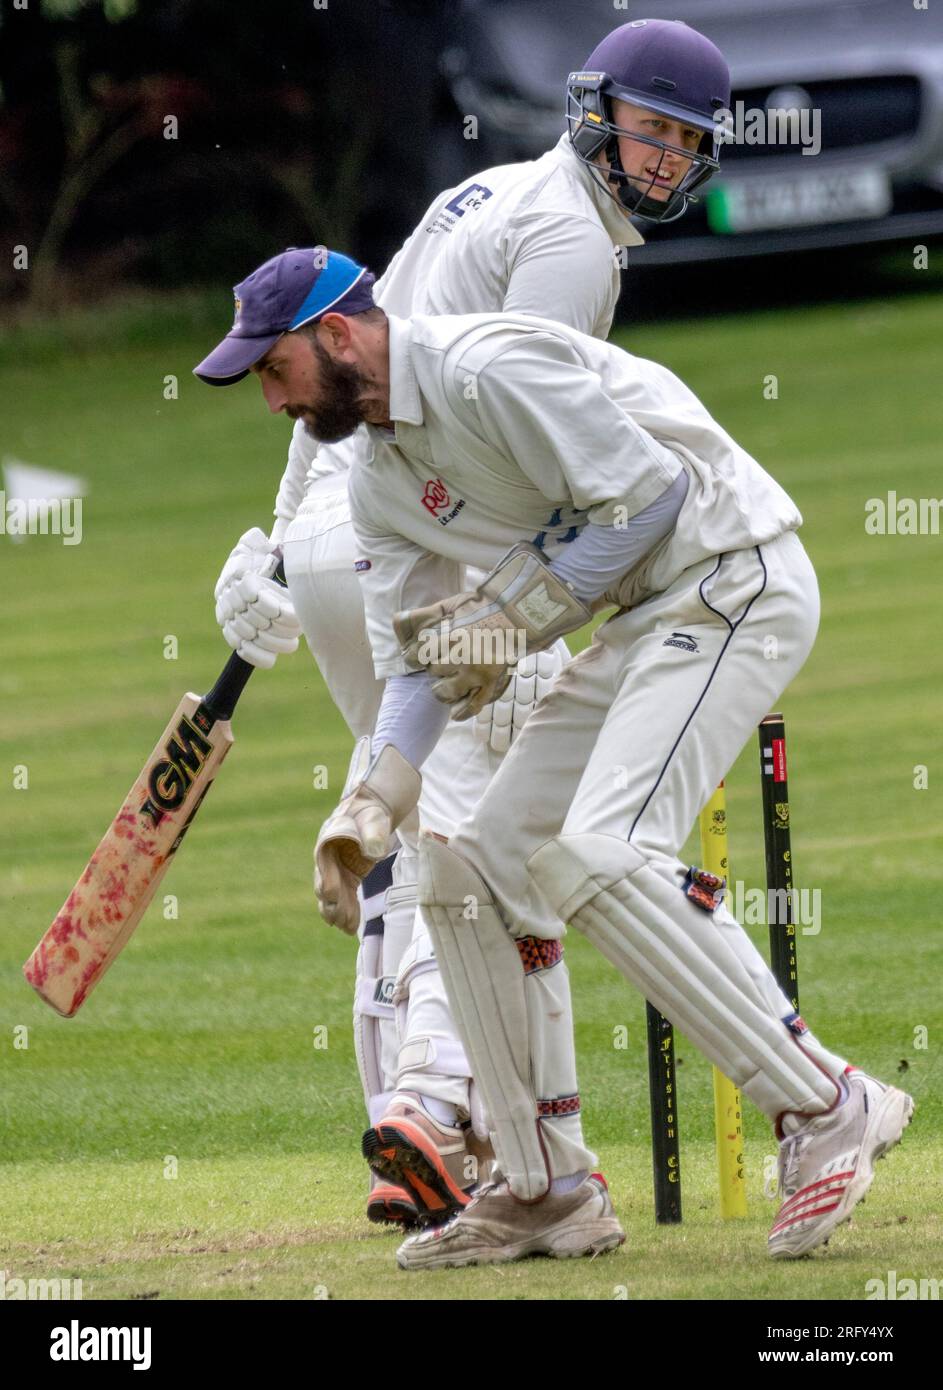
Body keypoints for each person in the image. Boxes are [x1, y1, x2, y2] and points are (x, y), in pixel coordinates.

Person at [197, 18, 734, 1230]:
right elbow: (541, 453)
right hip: (430, 535)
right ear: (594, 113)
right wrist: (538, 610)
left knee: (391, 829)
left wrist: (286, 543)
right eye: (649, 130)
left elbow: (344, 350)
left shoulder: (479, 192)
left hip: (351, 526)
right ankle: (455, 1114)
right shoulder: (566, 241)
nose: (661, 159)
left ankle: (431, 1145)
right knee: (482, 835)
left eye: (683, 142)